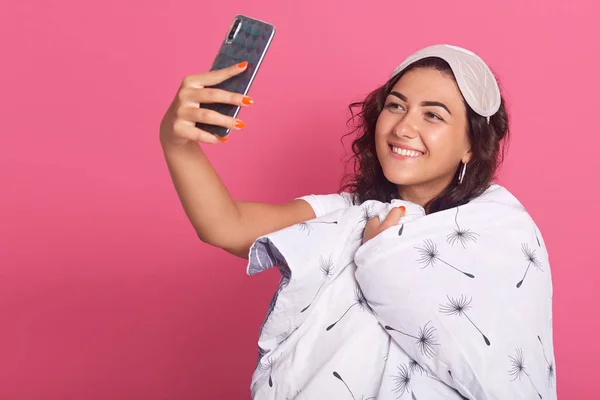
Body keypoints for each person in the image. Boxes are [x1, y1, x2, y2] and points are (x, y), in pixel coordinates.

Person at [160, 44, 556, 399]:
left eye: (432, 115)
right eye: (396, 105)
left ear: (472, 142)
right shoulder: (348, 214)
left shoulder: (500, 228)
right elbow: (226, 226)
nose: (403, 127)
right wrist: (177, 144)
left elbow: (506, 375)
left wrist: (384, 257)